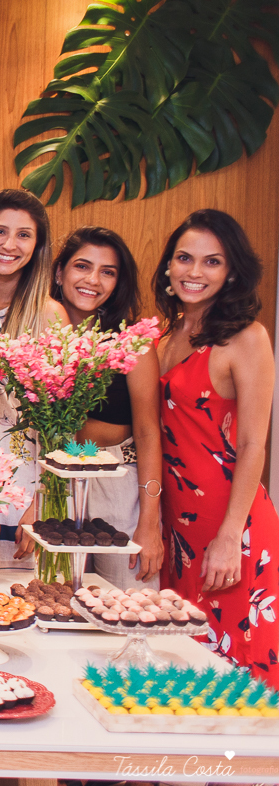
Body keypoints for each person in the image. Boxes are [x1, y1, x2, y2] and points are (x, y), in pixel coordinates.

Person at [154, 209, 278, 687]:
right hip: (177, 526)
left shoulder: (246, 338)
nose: (195, 271)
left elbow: (253, 444)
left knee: (235, 670)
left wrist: (229, 537)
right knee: (182, 665)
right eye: (185, 258)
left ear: (231, 272)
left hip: (230, 524)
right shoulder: (163, 338)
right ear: (169, 265)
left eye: (212, 261)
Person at [27, 226, 163, 589]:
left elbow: (148, 432)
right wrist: (36, 495)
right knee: (51, 591)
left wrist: (149, 521)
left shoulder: (131, 342)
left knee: (127, 599)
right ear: (60, 272)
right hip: (53, 479)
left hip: (116, 480)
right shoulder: (36, 334)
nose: (93, 280)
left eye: (108, 272)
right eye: (82, 266)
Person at [0, 189, 67, 566]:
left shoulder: (48, 314)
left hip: (24, 491)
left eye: (24, 235)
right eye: (0, 231)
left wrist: (43, 501)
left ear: (37, 246)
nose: (9, 244)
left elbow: (62, 426)